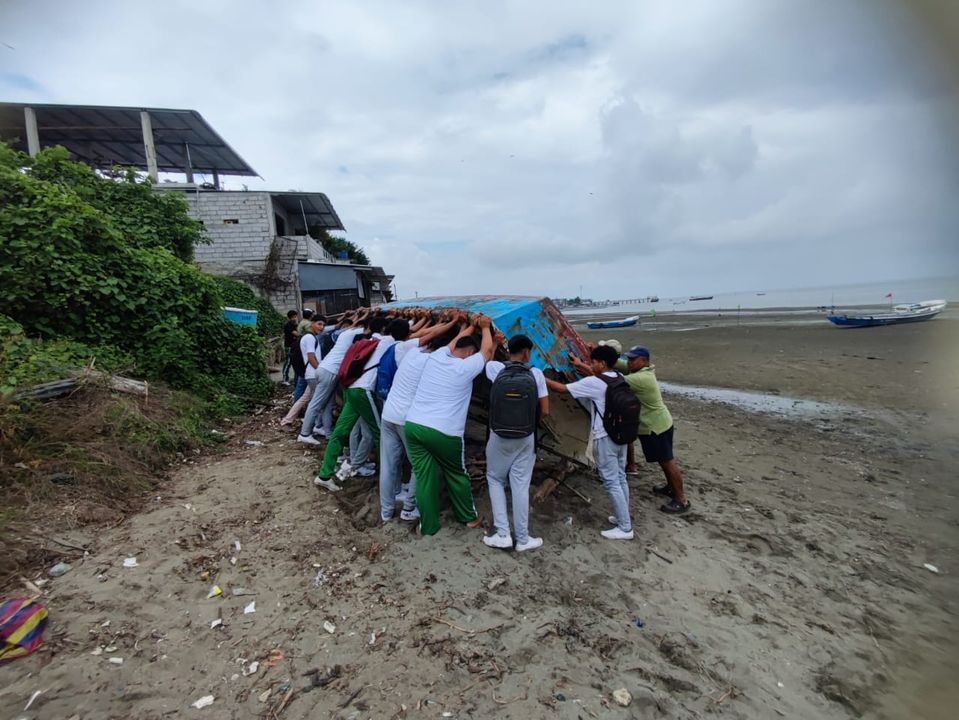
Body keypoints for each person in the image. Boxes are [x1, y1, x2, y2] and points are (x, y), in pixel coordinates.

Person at [405, 316, 495, 536]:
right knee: (456, 473)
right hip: (444, 432)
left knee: (424, 478)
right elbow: (486, 351)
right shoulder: (465, 368)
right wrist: (485, 328)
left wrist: (470, 326)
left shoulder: (437, 357)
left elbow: (456, 342)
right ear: (469, 353)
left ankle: (428, 526)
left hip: (414, 425)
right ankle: (468, 517)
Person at [545, 345, 634, 540]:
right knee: (620, 477)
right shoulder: (618, 377)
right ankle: (623, 516)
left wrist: (539, 377)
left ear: (602, 363)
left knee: (611, 481)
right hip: (621, 435)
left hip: (604, 437)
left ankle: (625, 527)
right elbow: (595, 375)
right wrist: (580, 365)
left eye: (593, 362)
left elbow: (561, 388)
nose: (591, 365)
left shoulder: (594, 382)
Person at [378, 315, 460, 522]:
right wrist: (459, 328)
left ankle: (386, 511)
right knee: (420, 464)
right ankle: (409, 508)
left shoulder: (411, 352)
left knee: (388, 465)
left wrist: (448, 323)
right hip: (406, 418)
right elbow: (446, 345)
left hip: (388, 413)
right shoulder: (435, 362)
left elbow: (426, 334)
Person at [312, 316, 397, 491]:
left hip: (350, 389)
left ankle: (325, 475)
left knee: (340, 432)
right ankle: (390, 483)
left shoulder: (366, 340)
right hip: (363, 391)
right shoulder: (387, 340)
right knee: (380, 433)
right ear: (384, 329)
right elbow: (414, 333)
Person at [482, 334, 549, 552]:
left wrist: (494, 343)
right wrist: (528, 423)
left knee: (495, 479)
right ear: (527, 353)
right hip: (525, 437)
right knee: (520, 486)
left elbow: (487, 358)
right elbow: (545, 410)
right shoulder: (536, 374)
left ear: (508, 350)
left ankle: (502, 534)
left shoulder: (495, 369)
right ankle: (522, 539)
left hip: (498, 435)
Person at [617, 346, 690, 514]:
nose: (629, 362)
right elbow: (619, 364)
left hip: (655, 426)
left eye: (632, 359)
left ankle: (681, 500)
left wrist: (586, 367)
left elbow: (612, 381)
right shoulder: (643, 371)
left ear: (644, 361)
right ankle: (670, 488)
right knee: (664, 460)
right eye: (629, 359)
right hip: (659, 423)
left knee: (667, 461)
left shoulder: (641, 378)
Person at [297, 309, 370, 445]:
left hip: (324, 369)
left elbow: (353, 325)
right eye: (319, 324)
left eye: (323, 324)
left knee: (328, 404)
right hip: (327, 371)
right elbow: (370, 329)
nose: (322, 327)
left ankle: (327, 431)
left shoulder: (344, 333)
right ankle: (305, 433)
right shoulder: (310, 337)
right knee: (316, 403)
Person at [281, 310, 299, 385]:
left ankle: (296, 379)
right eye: (293, 317)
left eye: (295, 317)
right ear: (289, 318)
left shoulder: (295, 325)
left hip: (294, 346)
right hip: (289, 346)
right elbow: (296, 334)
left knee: (295, 362)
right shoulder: (288, 325)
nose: (294, 318)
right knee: (288, 362)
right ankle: (285, 379)